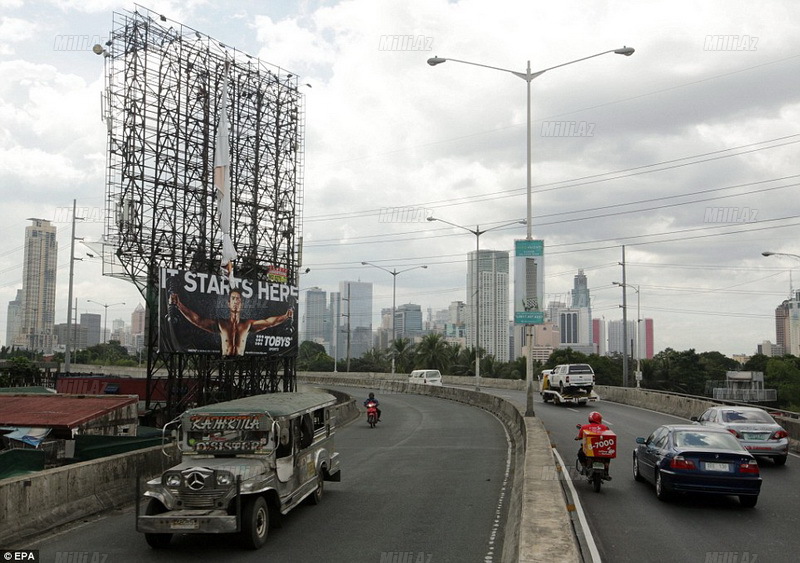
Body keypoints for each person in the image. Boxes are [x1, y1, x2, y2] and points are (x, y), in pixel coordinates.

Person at [170, 288, 293, 356]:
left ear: (241, 304)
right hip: (223, 359)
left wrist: (286, 316)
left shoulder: (247, 324)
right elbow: (198, 320)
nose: (236, 301)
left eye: (238, 299)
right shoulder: (221, 323)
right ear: (229, 303)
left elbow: (269, 322)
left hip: (241, 359)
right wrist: (179, 305)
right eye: (233, 299)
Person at [575, 411, 611, 480]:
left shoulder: (584, 427)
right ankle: (606, 471)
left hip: (589, 450)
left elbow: (579, 437)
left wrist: (577, 438)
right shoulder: (605, 427)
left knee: (580, 453)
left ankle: (584, 467)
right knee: (607, 455)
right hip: (601, 449)